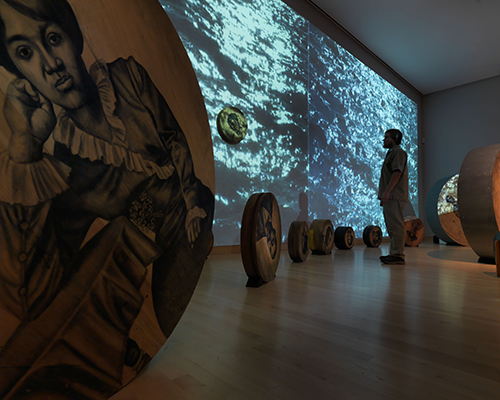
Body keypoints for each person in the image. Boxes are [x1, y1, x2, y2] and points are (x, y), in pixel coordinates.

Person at [0, 0, 213, 398]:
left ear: (74, 36)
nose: (51, 64)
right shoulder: (65, 168)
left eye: (52, 38)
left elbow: (174, 138)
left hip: (193, 216)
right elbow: (34, 296)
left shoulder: (127, 78)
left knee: (172, 306)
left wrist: (193, 202)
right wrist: (25, 147)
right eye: (25, 53)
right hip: (155, 257)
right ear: (20, 75)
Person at [378, 129, 408, 265]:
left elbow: (397, 172)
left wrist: (387, 192)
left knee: (395, 225)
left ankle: (397, 255)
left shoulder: (397, 152)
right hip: (392, 195)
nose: (384, 140)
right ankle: (395, 253)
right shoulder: (392, 153)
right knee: (392, 225)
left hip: (394, 195)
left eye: (387, 137)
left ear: (395, 139)